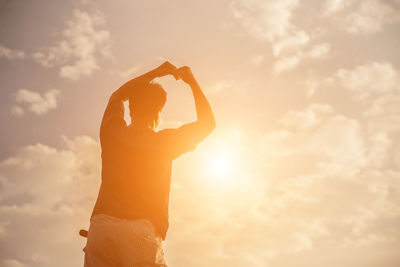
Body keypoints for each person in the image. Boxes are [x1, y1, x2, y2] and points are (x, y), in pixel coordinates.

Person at [83, 61, 216, 267]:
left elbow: (117, 95)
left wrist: (156, 72)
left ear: (131, 108)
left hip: (101, 229)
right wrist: (191, 81)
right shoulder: (164, 142)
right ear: (159, 113)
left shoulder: (112, 130)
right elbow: (208, 123)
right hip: (141, 233)